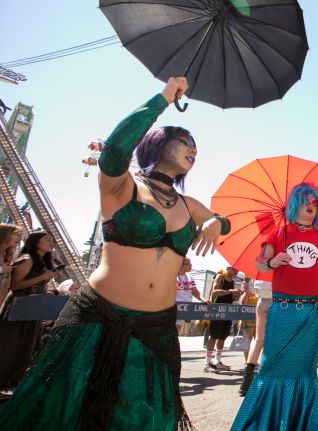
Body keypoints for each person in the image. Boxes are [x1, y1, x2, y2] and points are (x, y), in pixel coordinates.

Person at [0, 77, 229, 430]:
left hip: (157, 328)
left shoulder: (188, 203)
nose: (193, 149)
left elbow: (224, 223)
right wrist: (164, 97)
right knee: (66, 412)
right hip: (98, 317)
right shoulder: (122, 186)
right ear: (157, 145)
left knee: (142, 416)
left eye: (195, 146)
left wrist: (215, 221)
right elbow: (115, 151)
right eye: (184, 142)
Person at [232, 183, 318, 431]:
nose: (311, 205)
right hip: (283, 309)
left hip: (313, 312)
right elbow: (259, 264)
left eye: (315, 202)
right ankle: (266, 423)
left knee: (305, 369)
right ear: (295, 205)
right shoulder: (279, 233)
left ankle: (299, 424)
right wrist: (271, 262)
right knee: (273, 364)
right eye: (306, 201)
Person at [0, 230, 57, 393]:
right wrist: (42, 277)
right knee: (11, 345)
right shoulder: (27, 259)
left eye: (52, 240)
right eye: (47, 239)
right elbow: (15, 286)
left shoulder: (41, 261)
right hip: (21, 307)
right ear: (35, 241)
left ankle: (11, 385)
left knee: (28, 346)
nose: (51, 242)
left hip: (34, 308)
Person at [239, 279, 272, 396]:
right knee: (275, 340)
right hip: (277, 301)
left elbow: (251, 292)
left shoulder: (258, 272)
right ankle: (268, 380)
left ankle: (245, 384)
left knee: (258, 340)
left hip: (261, 302)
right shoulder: (280, 264)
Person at [205, 266, 242, 372]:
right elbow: (215, 291)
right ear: (228, 268)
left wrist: (236, 296)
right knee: (213, 335)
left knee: (223, 336)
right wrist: (230, 291)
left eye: (237, 270)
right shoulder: (220, 276)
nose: (236, 271)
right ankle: (207, 362)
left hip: (227, 310)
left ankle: (217, 360)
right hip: (217, 309)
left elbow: (230, 296)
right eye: (235, 269)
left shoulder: (233, 281)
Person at [176, 257, 207, 333]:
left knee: (176, 331)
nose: (191, 266)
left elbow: (195, 291)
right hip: (173, 308)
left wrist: (203, 299)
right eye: (189, 264)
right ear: (181, 264)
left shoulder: (190, 278)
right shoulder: (173, 276)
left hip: (184, 309)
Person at [0, 223, 22, 303]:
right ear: (5, 234)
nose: (20, 238)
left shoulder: (6, 257)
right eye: (17, 234)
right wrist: (2, 269)